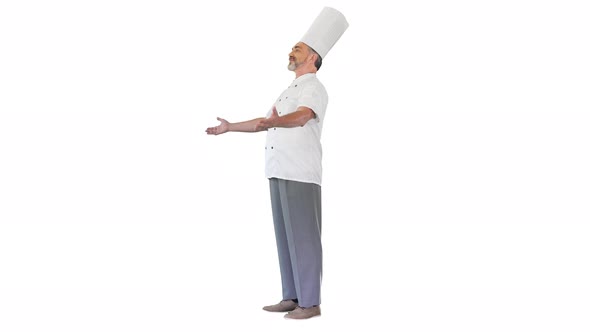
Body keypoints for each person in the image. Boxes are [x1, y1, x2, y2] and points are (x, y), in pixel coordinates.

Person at [205, 7, 348, 320]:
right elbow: (265, 122)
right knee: (285, 236)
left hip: (300, 170)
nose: (291, 51)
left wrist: (276, 121)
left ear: (313, 57)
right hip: (278, 168)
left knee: (305, 236)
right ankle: (292, 296)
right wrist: (230, 127)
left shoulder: (313, 88)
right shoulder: (288, 91)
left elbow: (301, 117)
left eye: (298, 48)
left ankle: (310, 302)